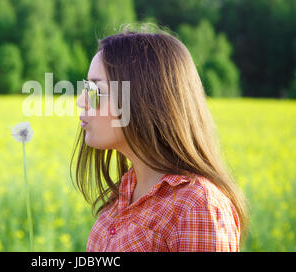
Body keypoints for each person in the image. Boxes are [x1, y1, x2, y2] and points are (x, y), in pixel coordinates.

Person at [71, 27, 248, 252]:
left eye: (97, 91)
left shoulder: (196, 207)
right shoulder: (124, 196)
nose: (81, 101)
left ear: (143, 99)